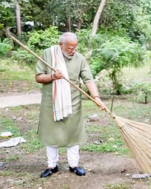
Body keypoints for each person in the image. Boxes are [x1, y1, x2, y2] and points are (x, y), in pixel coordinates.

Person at [36, 32, 106, 178]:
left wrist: (96, 97)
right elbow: (39, 77)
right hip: (52, 101)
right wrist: (52, 77)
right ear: (61, 45)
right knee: (51, 133)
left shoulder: (79, 59)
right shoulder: (48, 54)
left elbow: (89, 80)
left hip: (73, 101)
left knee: (73, 133)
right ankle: (52, 165)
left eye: (75, 48)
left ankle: (74, 165)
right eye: (69, 48)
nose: (73, 51)